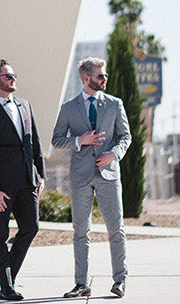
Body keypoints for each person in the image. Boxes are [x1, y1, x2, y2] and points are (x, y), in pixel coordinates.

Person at [50, 57, 131, 299]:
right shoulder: (68, 108)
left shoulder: (115, 105)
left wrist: (114, 154)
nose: (105, 79)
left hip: (108, 175)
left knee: (116, 230)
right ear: (86, 78)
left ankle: (120, 281)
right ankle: (81, 284)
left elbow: (125, 137)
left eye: (104, 75)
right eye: (100, 75)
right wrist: (79, 141)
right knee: (80, 231)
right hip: (80, 177)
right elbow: (56, 140)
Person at [0, 59, 45, 301]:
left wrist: (41, 176)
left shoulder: (25, 105)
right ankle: (7, 287)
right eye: (7, 76)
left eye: (13, 74)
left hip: (28, 182)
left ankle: (5, 275)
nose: (13, 78)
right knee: (0, 234)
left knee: (31, 227)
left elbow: (34, 142)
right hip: (1, 187)